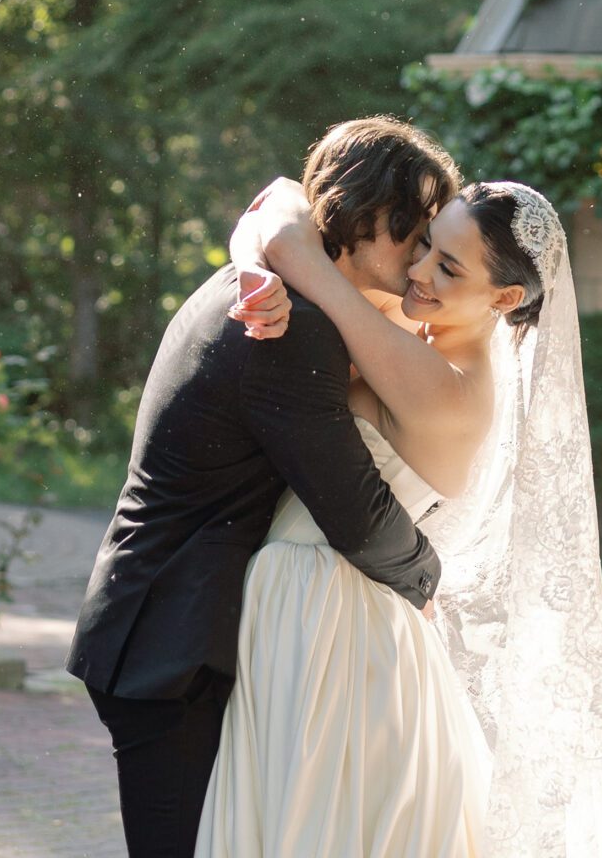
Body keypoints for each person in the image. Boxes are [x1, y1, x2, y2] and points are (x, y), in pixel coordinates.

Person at [65, 116, 460, 858]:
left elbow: (277, 198)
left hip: (168, 626)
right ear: (350, 210)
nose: (419, 246)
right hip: (168, 645)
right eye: (407, 222)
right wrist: (429, 579)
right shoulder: (289, 326)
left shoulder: (275, 289)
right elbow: (352, 506)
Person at [209, 177, 602, 856]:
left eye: (449, 268)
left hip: (328, 613)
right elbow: (282, 197)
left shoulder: (448, 386)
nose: (420, 271)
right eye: (426, 245)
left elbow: (295, 245)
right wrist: (253, 262)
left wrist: (263, 260)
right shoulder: (418, 336)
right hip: (320, 599)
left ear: (507, 298)